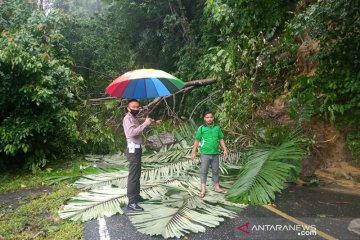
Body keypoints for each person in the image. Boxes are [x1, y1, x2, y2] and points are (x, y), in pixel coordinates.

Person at [123, 99, 160, 211]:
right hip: (132, 149)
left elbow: (144, 119)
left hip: (137, 149)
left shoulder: (134, 118)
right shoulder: (128, 119)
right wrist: (145, 124)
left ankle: (136, 196)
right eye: (133, 107)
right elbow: (132, 133)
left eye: (137, 107)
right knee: (133, 176)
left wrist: (153, 121)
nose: (136, 109)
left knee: (137, 174)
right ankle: (131, 202)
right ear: (128, 108)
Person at [191, 111, 228, 198]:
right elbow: (196, 140)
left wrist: (225, 149)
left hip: (215, 153)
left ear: (213, 118)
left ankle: (217, 187)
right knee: (204, 172)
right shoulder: (201, 129)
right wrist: (193, 152)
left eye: (211, 117)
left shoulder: (217, 128)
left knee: (215, 171)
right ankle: (203, 189)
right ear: (204, 118)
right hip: (205, 154)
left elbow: (221, 139)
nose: (209, 119)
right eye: (207, 117)